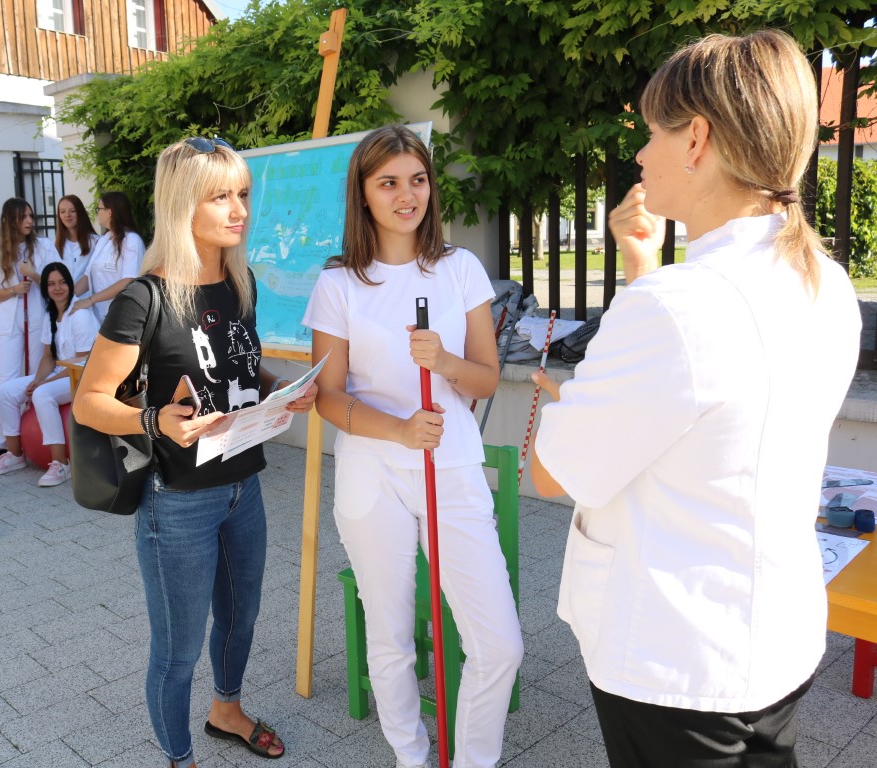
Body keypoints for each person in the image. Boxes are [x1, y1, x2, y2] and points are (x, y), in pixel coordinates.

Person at [530, 30, 861, 768]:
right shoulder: (824, 281)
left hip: (674, 656)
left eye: (653, 132)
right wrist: (642, 266)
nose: (642, 155)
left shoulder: (680, 306)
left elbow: (552, 474)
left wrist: (575, 403)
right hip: (773, 638)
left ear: (698, 139)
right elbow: (710, 404)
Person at [72, 137, 316, 768]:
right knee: (177, 649)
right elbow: (90, 401)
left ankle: (226, 710)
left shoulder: (241, 282)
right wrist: (155, 418)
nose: (238, 209)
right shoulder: (144, 297)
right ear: (183, 204)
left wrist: (278, 394)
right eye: (220, 196)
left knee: (239, 621)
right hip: (176, 501)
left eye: (242, 194)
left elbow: (238, 370)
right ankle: (179, 757)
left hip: (245, 484)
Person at [302, 124, 523, 768]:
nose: (407, 195)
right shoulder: (339, 284)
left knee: (499, 643)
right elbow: (327, 396)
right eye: (389, 182)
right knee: (392, 635)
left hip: (449, 465)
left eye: (418, 180)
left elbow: (485, 378)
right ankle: (410, 754)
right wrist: (398, 429)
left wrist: (446, 362)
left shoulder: (460, 269)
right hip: (374, 473)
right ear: (363, 194)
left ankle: (474, 760)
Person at [0, 262, 98, 486]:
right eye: (51, 284)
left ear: (69, 284)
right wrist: (37, 380)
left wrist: (43, 385)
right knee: (7, 392)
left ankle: (60, 464)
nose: (57, 288)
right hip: (61, 373)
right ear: (46, 288)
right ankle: (16, 455)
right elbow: (48, 356)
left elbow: (83, 363)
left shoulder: (81, 315)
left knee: (42, 395)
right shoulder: (50, 315)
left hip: (82, 376)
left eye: (62, 283)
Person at [0, 198, 61, 469]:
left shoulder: (45, 246)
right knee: (7, 381)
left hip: (37, 323)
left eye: (30, 216)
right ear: (9, 220)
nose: (28, 221)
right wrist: (15, 289)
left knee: (37, 378)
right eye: (22, 217)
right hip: (10, 325)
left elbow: (58, 279)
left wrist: (33, 275)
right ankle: (1, 442)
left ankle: (34, 434)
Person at [70, 190, 144, 323]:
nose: (97, 213)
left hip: (122, 317)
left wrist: (91, 300)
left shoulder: (132, 240)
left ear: (110, 212)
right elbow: (87, 277)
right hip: (99, 318)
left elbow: (128, 281)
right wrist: (66, 298)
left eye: (99, 209)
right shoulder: (103, 240)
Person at [53, 194, 98, 299]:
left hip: (90, 305)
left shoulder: (96, 242)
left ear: (80, 213)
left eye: (72, 211)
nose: (67, 215)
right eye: (62, 212)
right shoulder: (53, 245)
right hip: (63, 305)